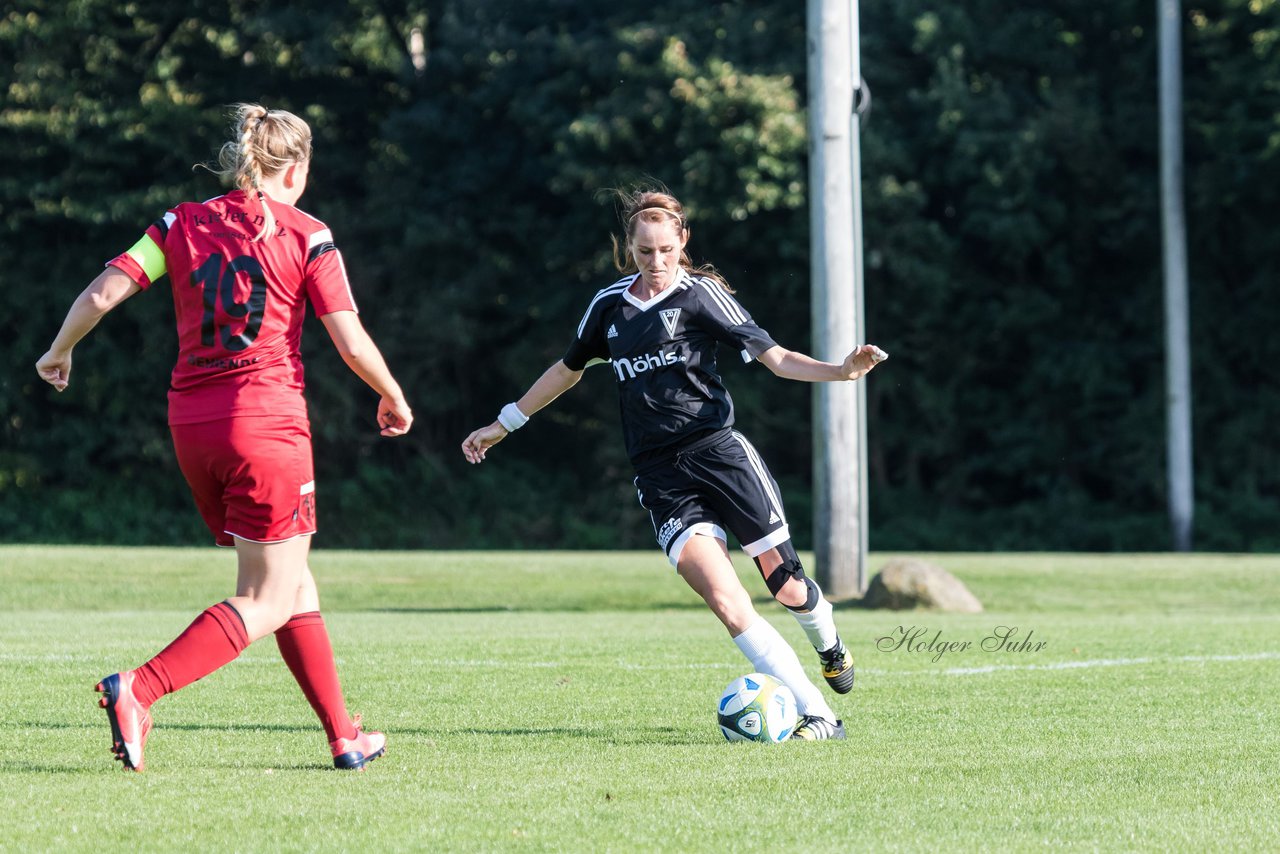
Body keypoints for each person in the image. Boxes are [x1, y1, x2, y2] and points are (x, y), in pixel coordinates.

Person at [35, 104, 413, 771]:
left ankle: (342, 737)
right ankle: (139, 689)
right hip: (265, 427)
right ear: (294, 169)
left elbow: (101, 294)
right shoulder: (309, 233)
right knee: (267, 596)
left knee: (292, 585)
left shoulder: (180, 222)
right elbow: (349, 339)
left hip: (192, 428)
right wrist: (391, 392)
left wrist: (59, 350)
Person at [462, 188, 887, 740]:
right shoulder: (610, 307)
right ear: (629, 250)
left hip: (722, 456)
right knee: (728, 603)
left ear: (682, 241)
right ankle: (821, 717)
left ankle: (828, 642)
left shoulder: (703, 295)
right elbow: (567, 370)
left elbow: (777, 360)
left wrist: (842, 371)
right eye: (644, 252)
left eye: (665, 249)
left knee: (786, 587)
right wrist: (504, 424)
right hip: (661, 477)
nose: (656, 262)